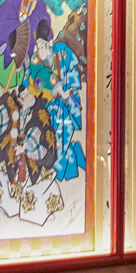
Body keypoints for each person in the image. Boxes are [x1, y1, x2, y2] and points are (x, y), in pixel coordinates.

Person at [0, 73, 63, 226]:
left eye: (28, 94)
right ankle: (7, 208)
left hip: (33, 152)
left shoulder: (39, 110)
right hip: (15, 149)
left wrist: (26, 146)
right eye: (23, 96)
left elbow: (38, 128)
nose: (27, 97)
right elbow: (4, 115)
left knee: (37, 183)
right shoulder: (16, 108)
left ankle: (44, 212)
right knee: (8, 176)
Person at [28, 26, 86, 182]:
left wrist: (68, 92)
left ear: (49, 43)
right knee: (51, 145)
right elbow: (34, 80)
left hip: (65, 107)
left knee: (61, 143)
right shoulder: (36, 60)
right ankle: (74, 158)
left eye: (43, 45)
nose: (40, 49)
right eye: (38, 46)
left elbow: (72, 77)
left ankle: (71, 163)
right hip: (46, 110)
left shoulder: (62, 52)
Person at [0, 0, 53, 90]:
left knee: (23, 49)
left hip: (26, 38)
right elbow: (5, 10)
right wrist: (16, 26)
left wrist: (30, 24)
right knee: (0, 36)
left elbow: (43, 17)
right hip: (10, 31)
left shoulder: (39, 4)